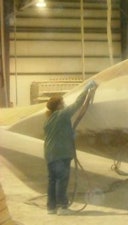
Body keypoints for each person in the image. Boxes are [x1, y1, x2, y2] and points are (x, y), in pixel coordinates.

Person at [43, 80, 97, 215]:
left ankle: (51, 207)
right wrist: (87, 89)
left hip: (50, 154)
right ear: (59, 105)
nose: (64, 104)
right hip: (61, 153)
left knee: (52, 180)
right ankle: (62, 207)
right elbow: (77, 104)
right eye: (62, 102)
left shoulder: (49, 120)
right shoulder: (62, 114)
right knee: (62, 179)